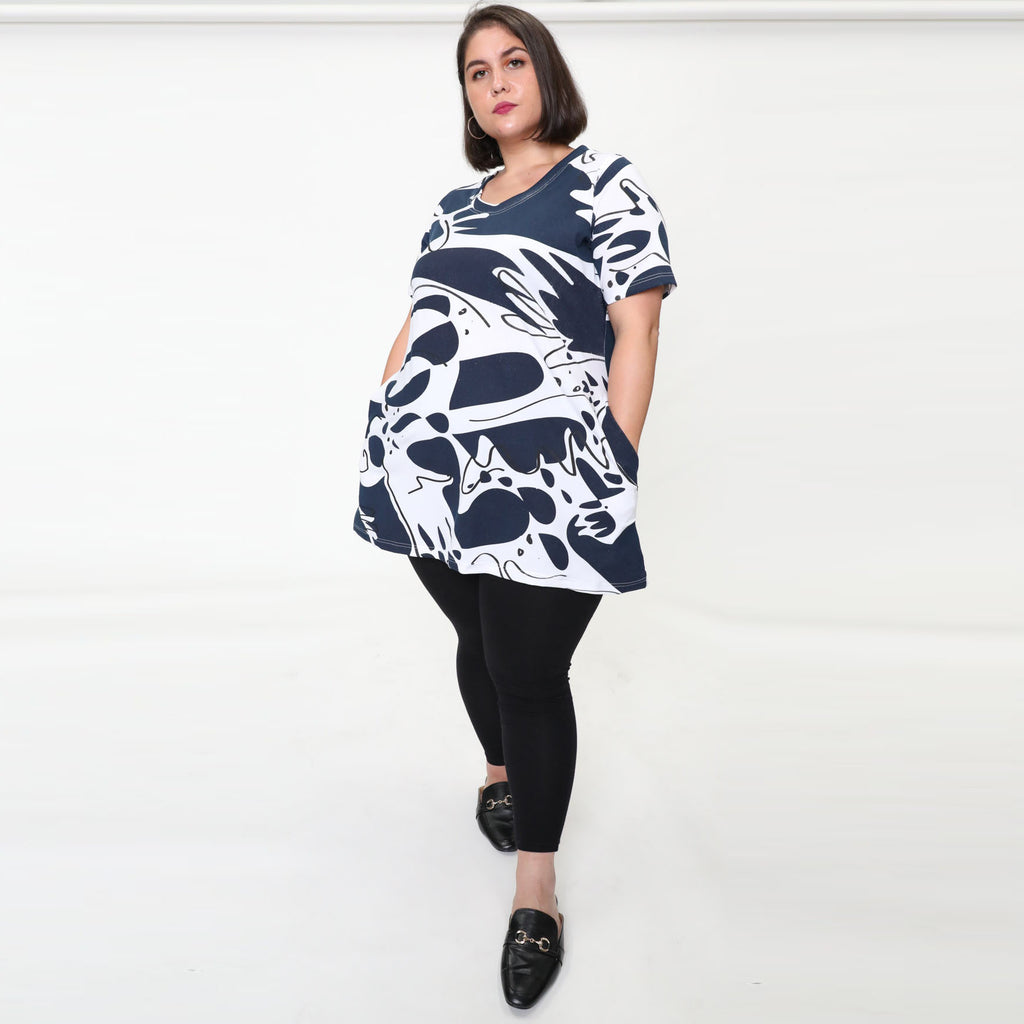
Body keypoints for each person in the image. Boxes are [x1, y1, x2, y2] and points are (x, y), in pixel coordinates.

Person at [352, 2, 676, 1009]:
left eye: (513, 61)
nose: (496, 82)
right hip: (428, 473)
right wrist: (384, 419)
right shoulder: (454, 206)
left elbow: (636, 331)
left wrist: (613, 463)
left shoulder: (606, 183)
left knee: (527, 670)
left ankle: (536, 890)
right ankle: (499, 773)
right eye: (476, 70)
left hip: (551, 483)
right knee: (478, 637)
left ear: (546, 74)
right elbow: (421, 321)